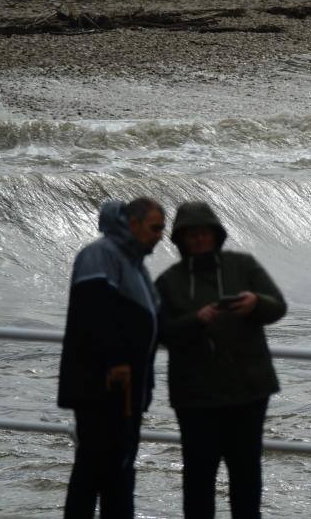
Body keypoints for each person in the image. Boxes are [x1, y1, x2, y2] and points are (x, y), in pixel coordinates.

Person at [155, 201, 286, 519]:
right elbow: (159, 334)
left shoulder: (243, 266)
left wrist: (256, 303)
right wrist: (196, 320)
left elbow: (278, 307)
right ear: (180, 240)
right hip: (196, 397)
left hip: (249, 390)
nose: (198, 240)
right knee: (199, 477)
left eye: (204, 234)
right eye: (191, 235)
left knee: (246, 475)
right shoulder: (168, 281)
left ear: (216, 235)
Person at [58, 197, 165, 519]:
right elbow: (95, 312)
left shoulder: (133, 263)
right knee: (94, 469)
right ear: (132, 224)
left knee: (118, 470)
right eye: (155, 227)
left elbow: (149, 320)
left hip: (128, 390)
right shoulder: (101, 254)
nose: (161, 235)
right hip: (102, 388)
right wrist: (116, 361)